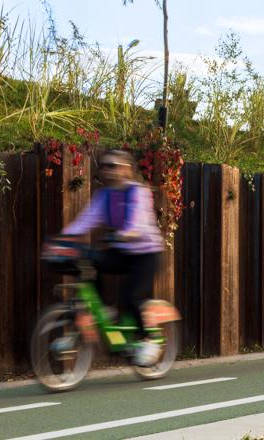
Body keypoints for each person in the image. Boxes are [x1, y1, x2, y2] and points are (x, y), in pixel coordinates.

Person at [59, 149, 166, 366]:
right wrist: (64, 238)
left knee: (131, 297)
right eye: (104, 166)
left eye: (112, 165)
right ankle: (104, 310)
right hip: (122, 251)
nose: (106, 170)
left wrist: (127, 233)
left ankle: (151, 340)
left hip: (146, 254)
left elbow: (137, 220)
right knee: (88, 260)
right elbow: (87, 219)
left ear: (127, 170)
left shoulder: (138, 192)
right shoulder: (104, 195)